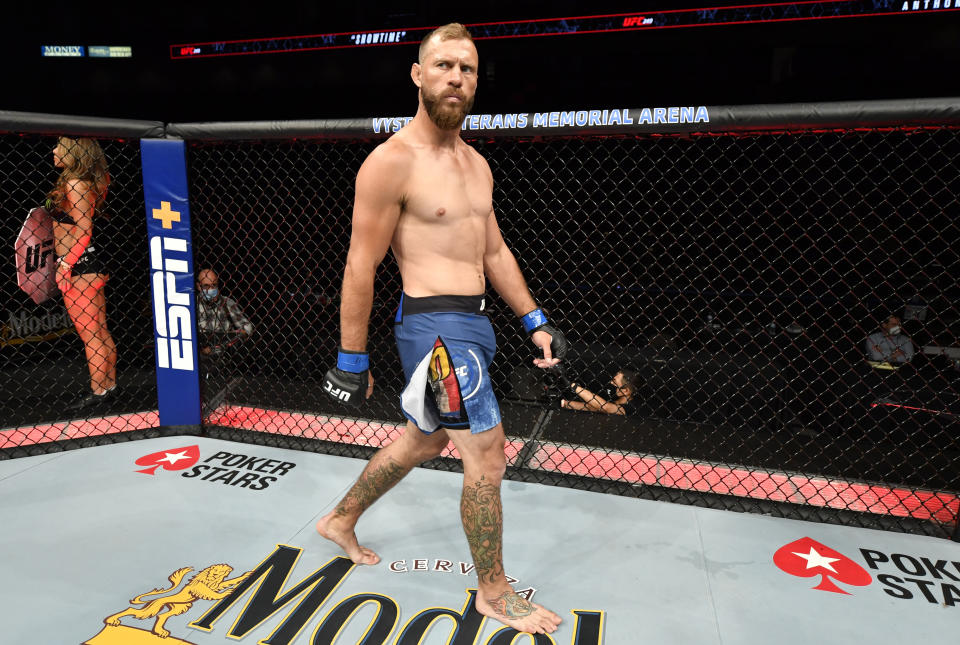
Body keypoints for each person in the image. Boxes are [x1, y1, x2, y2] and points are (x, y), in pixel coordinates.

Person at [316, 23, 564, 636]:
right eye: (445, 65)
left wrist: (534, 320)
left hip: (474, 324)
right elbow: (359, 265)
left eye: (469, 69)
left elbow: (496, 252)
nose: (457, 78)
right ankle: (494, 591)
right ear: (418, 75)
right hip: (433, 328)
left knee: (426, 440)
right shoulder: (391, 163)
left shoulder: (477, 164)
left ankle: (339, 519)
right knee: (486, 457)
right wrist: (351, 357)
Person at [49, 137, 117, 410]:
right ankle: (109, 386)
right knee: (99, 330)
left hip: (78, 265)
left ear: (73, 153)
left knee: (90, 334)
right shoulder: (92, 181)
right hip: (89, 263)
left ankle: (98, 393)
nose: (54, 151)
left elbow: (84, 229)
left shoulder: (76, 184)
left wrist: (65, 265)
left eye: (59, 147)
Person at [195, 268, 254, 358]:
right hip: (198, 358)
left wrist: (229, 340)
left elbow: (247, 327)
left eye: (214, 285)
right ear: (199, 286)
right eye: (206, 286)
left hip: (223, 357)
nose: (211, 289)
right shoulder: (192, 304)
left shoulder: (226, 303)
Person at [559, 369, 641, 415]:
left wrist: (573, 386)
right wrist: (564, 403)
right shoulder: (613, 399)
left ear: (625, 391)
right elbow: (590, 407)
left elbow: (605, 407)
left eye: (614, 382)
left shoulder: (630, 408)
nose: (611, 383)